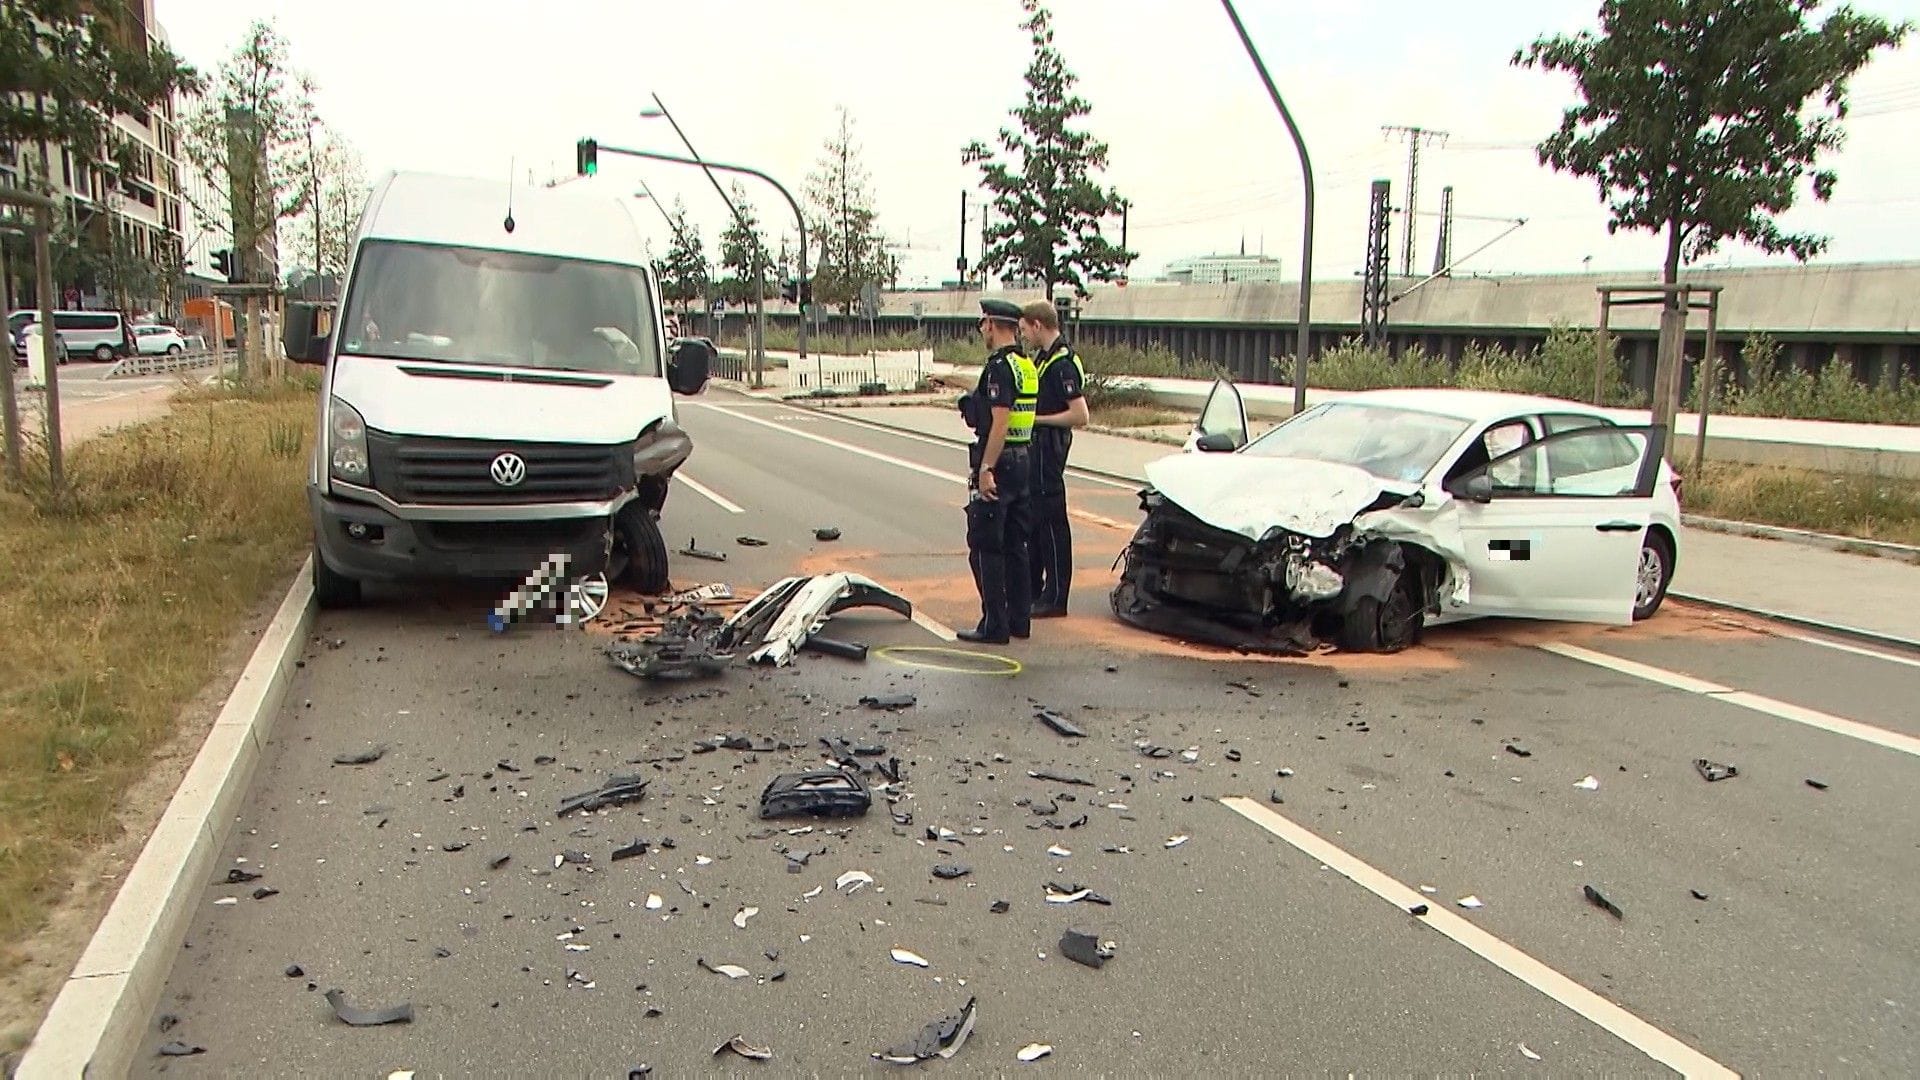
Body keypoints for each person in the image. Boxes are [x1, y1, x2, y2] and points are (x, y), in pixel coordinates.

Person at [955, 298, 1039, 644]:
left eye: (983, 323)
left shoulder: (999, 368)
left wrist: (986, 468)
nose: (981, 330)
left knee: (986, 545)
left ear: (992, 324)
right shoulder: (1025, 364)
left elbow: (999, 423)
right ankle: (1020, 620)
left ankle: (994, 625)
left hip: (1000, 461)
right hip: (1023, 459)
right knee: (1016, 544)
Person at [1019, 300, 1089, 618]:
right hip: (1038, 452)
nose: (1023, 337)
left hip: (1050, 451)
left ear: (1037, 325)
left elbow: (1080, 415)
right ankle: (1038, 590)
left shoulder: (1063, 363)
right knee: (1035, 524)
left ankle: (1056, 596)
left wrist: (1039, 420)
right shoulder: (1045, 358)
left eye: (1024, 330)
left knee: (1051, 526)